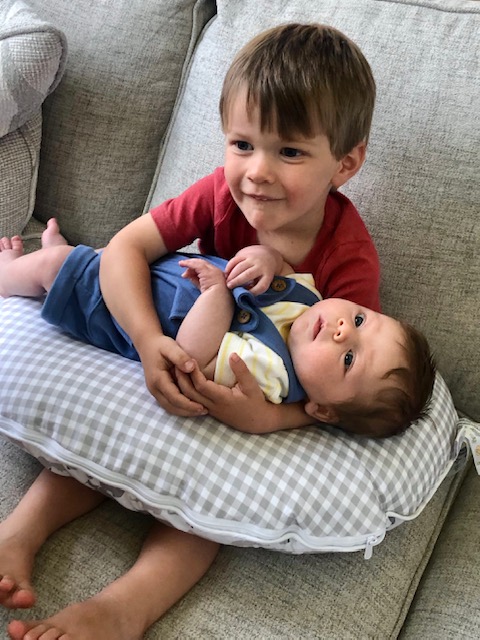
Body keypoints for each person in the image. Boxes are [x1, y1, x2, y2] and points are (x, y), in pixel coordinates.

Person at [0, 21, 389, 640]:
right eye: (242, 144)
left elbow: (348, 384)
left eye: (289, 152)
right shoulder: (219, 195)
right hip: (165, 333)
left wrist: (267, 419)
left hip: (232, 397)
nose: (256, 172)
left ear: (345, 164)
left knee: (204, 516)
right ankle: (19, 533)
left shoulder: (349, 261)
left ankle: (122, 610)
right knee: (108, 427)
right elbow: (127, 249)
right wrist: (148, 340)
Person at [0, 232, 435, 436]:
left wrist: (217, 295)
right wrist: (267, 258)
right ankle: (51, 256)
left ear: (321, 409)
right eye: (359, 320)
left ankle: (11, 274)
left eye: (349, 359)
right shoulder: (311, 303)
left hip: (113, 312)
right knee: (97, 257)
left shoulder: (270, 373)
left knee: (56, 269)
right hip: (152, 271)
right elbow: (282, 269)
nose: (342, 331)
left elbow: (193, 355)